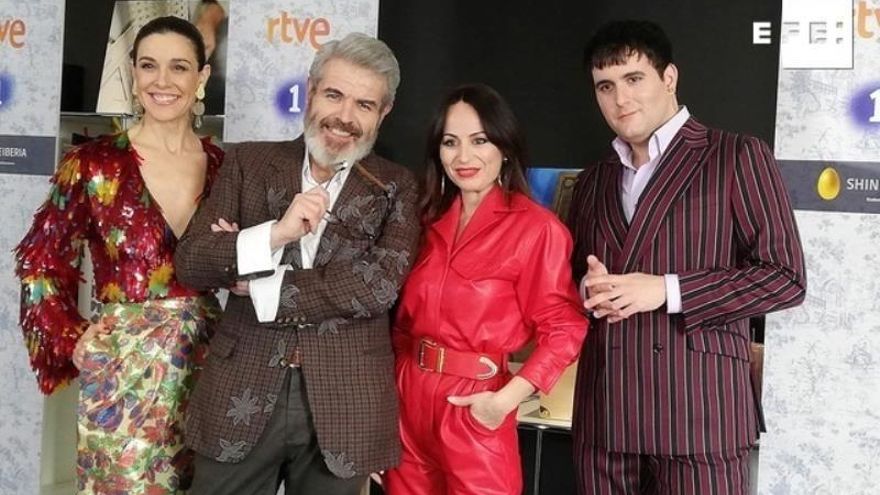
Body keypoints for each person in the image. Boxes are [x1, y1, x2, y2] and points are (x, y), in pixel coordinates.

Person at [172, 33, 420, 495]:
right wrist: (275, 234)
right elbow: (193, 261)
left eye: (364, 105)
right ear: (309, 92)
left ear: (383, 113)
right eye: (333, 95)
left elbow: (378, 286)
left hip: (346, 402)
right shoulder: (248, 161)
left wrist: (260, 280)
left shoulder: (396, 186)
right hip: (239, 390)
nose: (344, 117)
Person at [567, 20, 807, 494]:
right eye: (606, 86)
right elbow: (574, 275)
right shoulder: (593, 179)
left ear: (669, 78)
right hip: (604, 416)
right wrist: (586, 289)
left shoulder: (736, 155)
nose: (620, 99)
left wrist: (665, 289)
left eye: (634, 79)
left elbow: (785, 277)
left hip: (698, 415)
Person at [14, 16, 222, 494]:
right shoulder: (93, 163)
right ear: (132, 73)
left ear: (202, 77)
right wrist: (71, 338)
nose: (162, 81)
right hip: (123, 371)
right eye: (148, 66)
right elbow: (39, 261)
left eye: (179, 67)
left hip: (209, 365)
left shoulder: (225, 169)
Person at [383, 83, 588, 495]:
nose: (463, 157)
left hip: (476, 402)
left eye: (479, 141)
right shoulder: (421, 224)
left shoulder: (536, 229)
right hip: (406, 399)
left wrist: (503, 402)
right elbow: (399, 326)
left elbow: (564, 327)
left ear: (505, 147)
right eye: (450, 142)